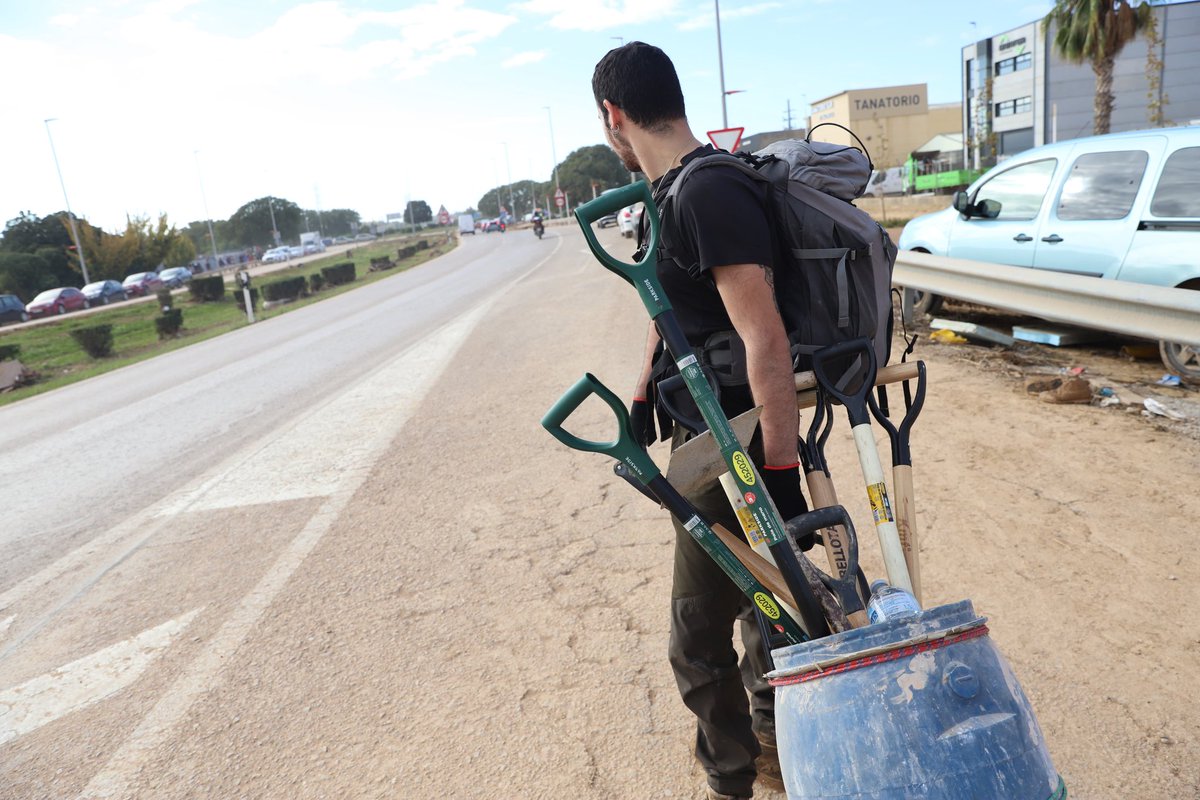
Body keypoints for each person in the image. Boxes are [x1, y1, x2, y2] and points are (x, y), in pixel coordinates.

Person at [592, 42, 810, 800]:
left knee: (696, 631)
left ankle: (732, 778)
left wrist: (777, 471)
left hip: (734, 437)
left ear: (614, 115)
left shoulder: (706, 191)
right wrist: (641, 392)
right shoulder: (670, 193)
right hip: (709, 431)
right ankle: (774, 749)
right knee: (762, 602)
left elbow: (764, 339)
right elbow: (673, 310)